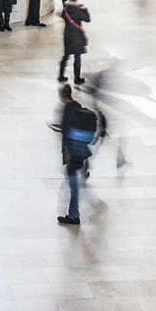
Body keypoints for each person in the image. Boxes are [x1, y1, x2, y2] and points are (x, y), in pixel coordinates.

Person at [57, 83, 100, 226]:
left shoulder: (67, 111)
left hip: (74, 153)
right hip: (80, 150)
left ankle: (74, 215)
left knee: (74, 187)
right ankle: (74, 212)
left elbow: (66, 135)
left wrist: (66, 157)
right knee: (75, 184)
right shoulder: (77, 106)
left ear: (63, 96)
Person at [58, 0, 90, 86]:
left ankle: (61, 75)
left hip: (67, 36)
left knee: (66, 56)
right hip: (77, 36)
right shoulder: (78, 11)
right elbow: (87, 19)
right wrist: (84, 9)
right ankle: (77, 78)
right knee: (77, 57)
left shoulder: (65, 11)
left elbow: (61, 15)